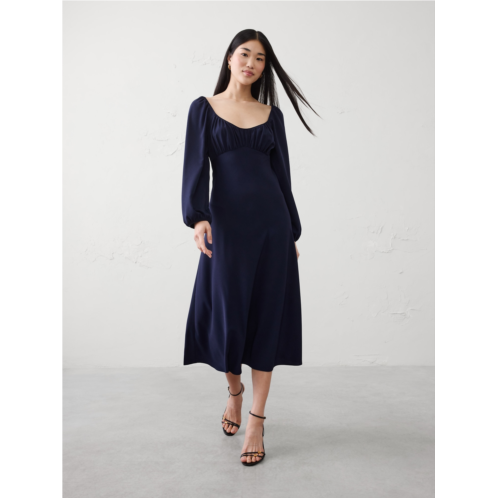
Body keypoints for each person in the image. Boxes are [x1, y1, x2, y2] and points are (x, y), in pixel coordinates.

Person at [181, 29, 318, 466]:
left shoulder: (272, 115)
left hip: (271, 228)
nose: (252, 64)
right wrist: (198, 217)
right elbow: (194, 167)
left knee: (266, 319)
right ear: (229, 58)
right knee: (228, 319)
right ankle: (234, 391)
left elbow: (283, 178)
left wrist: (291, 232)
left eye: (260, 58)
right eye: (245, 54)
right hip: (227, 228)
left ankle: (256, 420)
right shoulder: (204, 109)